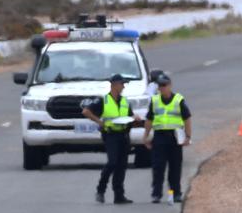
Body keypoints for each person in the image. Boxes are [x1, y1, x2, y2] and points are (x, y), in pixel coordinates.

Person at [82, 74, 141, 205]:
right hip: (111, 135)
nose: (123, 86)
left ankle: (119, 195)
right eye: (122, 84)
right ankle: (100, 189)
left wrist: (135, 119)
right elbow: (86, 111)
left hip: (124, 135)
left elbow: (130, 116)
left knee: (122, 165)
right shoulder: (103, 100)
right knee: (112, 162)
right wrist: (99, 121)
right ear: (114, 85)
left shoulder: (125, 101)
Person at [142, 74, 192, 204]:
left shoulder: (178, 100)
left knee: (175, 167)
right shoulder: (155, 100)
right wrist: (146, 136)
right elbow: (149, 119)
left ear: (170, 86)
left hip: (175, 137)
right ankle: (156, 194)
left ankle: (176, 193)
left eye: (164, 85)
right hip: (159, 137)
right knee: (158, 167)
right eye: (160, 86)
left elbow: (187, 118)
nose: (162, 88)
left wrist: (188, 136)